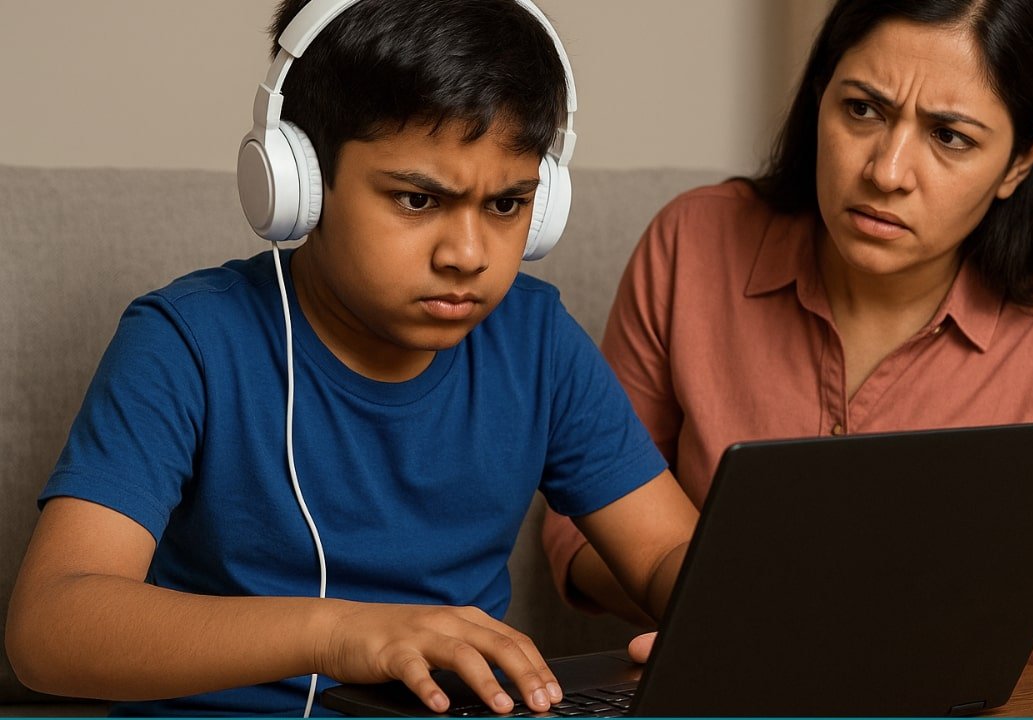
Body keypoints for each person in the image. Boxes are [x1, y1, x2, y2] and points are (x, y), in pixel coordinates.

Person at [3, 0, 699, 715]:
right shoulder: (187, 342)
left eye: (507, 205)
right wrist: (338, 632)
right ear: (298, 184)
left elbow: (663, 555)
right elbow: (49, 629)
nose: (468, 256)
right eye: (418, 199)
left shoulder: (537, 341)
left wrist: (722, 617)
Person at [542, 0, 1033, 694]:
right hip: (730, 696)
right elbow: (578, 525)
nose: (887, 171)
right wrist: (725, 609)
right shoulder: (692, 244)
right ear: (820, 95)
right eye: (863, 111)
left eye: (950, 137)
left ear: (1022, 160)